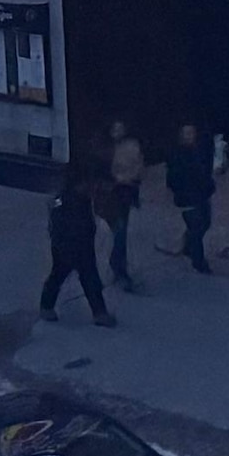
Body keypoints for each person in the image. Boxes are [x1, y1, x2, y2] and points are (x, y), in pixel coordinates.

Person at [38, 168, 117, 327]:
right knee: (69, 276)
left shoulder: (82, 199)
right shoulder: (66, 201)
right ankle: (98, 313)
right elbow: (59, 225)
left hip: (80, 245)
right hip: (70, 246)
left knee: (82, 278)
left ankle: (97, 312)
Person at [165, 117, 222, 274]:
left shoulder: (199, 150)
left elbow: (205, 169)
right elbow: (172, 177)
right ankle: (199, 261)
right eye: (186, 133)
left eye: (191, 132)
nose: (189, 135)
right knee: (196, 226)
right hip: (188, 196)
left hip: (202, 193)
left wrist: (208, 184)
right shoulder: (177, 153)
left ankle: (189, 246)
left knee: (205, 223)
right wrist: (181, 190)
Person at [101, 118, 148, 290]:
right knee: (119, 231)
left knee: (121, 232)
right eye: (115, 129)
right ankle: (118, 267)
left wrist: (128, 177)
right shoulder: (106, 148)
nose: (117, 132)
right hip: (111, 194)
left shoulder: (132, 146)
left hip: (124, 193)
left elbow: (139, 166)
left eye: (120, 128)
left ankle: (118, 265)